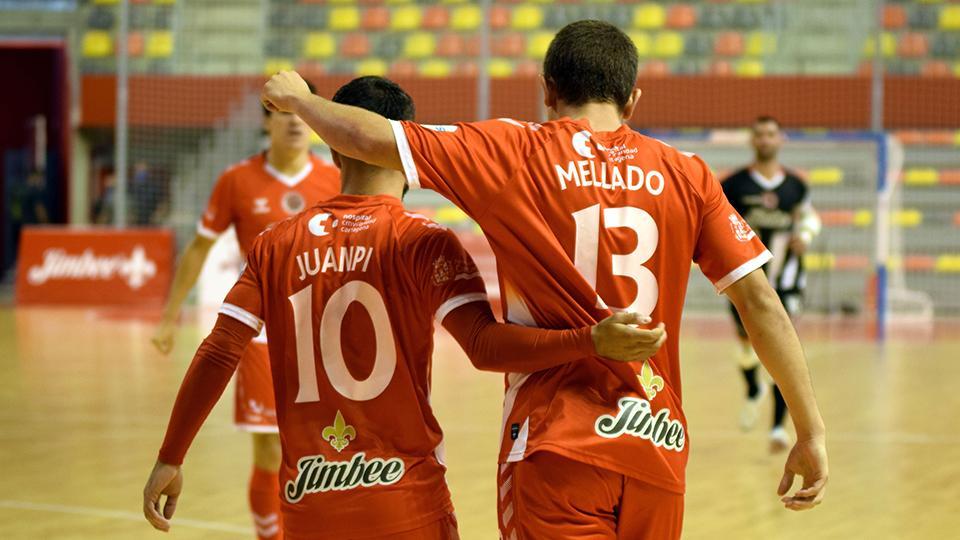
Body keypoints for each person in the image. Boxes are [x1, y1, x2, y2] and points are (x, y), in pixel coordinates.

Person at [259, 20, 829, 539]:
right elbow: (759, 302)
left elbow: (372, 140)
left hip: (556, 446)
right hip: (658, 449)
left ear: (547, 90)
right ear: (632, 100)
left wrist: (299, 101)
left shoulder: (513, 151)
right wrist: (809, 430)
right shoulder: (688, 173)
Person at [142, 76, 666, 540]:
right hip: (407, 502)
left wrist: (171, 455)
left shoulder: (276, 243)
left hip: (308, 505)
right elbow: (485, 348)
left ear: (334, 150)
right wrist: (588, 340)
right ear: (403, 153)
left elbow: (220, 351)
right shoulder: (425, 241)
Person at [151, 81, 340, 540]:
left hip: (324, 337)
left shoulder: (335, 179)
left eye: (303, 112)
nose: (295, 121)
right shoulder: (236, 179)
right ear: (266, 120)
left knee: (330, 447)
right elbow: (198, 248)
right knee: (271, 451)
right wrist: (169, 314)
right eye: (283, 112)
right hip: (261, 336)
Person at [721, 116, 822, 452]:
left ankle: (778, 428)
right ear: (753, 140)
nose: (765, 140)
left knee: (782, 347)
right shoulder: (733, 185)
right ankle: (752, 387)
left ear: (781, 139)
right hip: (746, 282)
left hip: (788, 280)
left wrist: (805, 235)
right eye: (759, 134)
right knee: (746, 345)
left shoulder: (796, 185)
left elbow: (809, 217)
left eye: (771, 134)